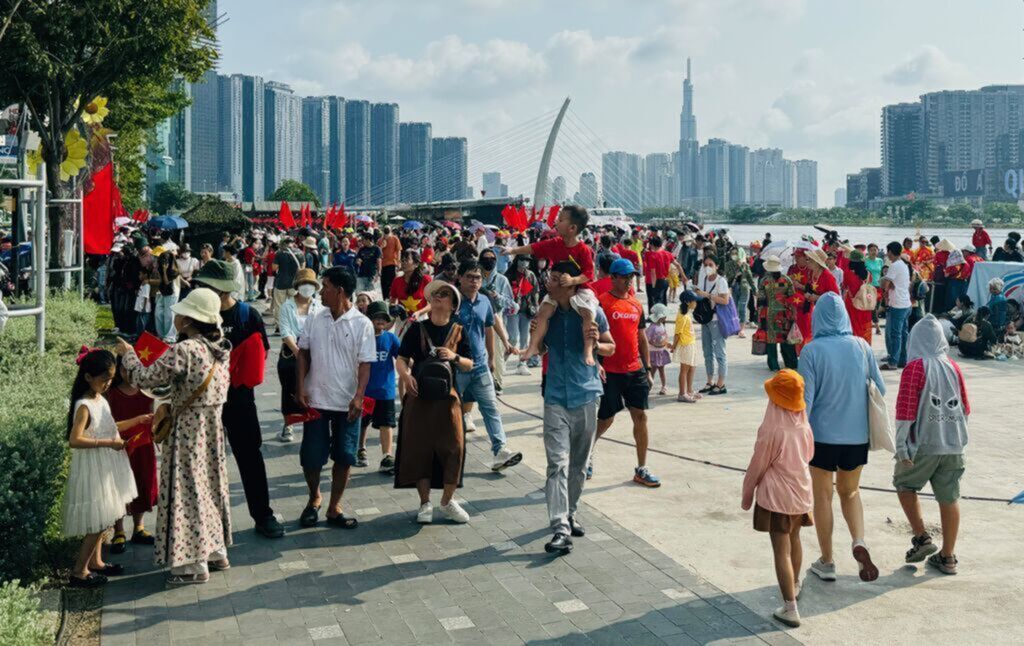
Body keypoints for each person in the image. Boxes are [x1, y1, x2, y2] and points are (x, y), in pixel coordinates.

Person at [118, 288, 232, 585]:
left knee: (187, 490)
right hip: (212, 430)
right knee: (209, 486)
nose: (177, 317)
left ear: (189, 319)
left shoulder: (186, 350)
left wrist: (128, 355)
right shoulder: (221, 348)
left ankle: (192, 564)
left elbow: (144, 378)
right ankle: (216, 551)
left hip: (188, 432)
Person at [193, 261, 284, 539]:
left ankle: (263, 515)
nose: (200, 290)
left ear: (221, 290)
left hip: (240, 399)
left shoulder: (248, 315)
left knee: (250, 457)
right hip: (204, 404)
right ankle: (204, 524)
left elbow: (261, 353)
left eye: (205, 286)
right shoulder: (196, 316)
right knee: (202, 461)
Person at [798, 292, 884, 583]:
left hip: (822, 438)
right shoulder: (862, 346)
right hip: (857, 437)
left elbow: (806, 402)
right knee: (850, 492)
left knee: (823, 497)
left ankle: (827, 561)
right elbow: (880, 388)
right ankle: (859, 540)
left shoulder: (811, 351)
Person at [540, 261, 616, 555]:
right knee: (556, 463)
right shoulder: (547, 311)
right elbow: (541, 347)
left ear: (569, 283)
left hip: (586, 394)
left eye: (555, 278)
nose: (549, 282)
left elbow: (611, 347)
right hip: (555, 396)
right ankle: (560, 528)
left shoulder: (591, 310)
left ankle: (570, 512)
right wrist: (535, 340)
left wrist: (596, 346)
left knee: (578, 465)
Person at [295, 266, 376, 529]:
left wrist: (359, 396)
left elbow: (365, 364)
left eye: (326, 287)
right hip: (316, 399)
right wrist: (300, 387)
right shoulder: (315, 317)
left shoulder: (362, 324)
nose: (321, 292)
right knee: (311, 456)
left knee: (344, 456)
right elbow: (303, 353)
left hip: (347, 403)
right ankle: (314, 498)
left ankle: (334, 507)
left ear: (340, 291)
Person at [893, 315, 970, 575]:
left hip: (924, 444)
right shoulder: (954, 366)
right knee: (949, 497)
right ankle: (948, 557)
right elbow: (965, 408)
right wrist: (960, 440)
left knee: (905, 484)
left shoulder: (915, 367)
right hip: (953, 444)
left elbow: (905, 411)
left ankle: (922, 537)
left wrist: (901, 446)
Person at [395, 281, 475, 524]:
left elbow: (470, 364)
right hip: (419, 397)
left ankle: (448, 501)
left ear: (453, 304)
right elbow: (401, 358)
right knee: (419, 449)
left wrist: (454, 356)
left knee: (455, 448)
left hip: (448, 399)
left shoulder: (459, 330)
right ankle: (425, 503)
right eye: (436, 294)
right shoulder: (416, 329)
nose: (439, 297)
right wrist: (406, 376)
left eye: (444, 294)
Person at [741, 369, 814, 628]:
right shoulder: (803, 424)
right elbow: (809, 454)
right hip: (801, 493)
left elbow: (758, 465)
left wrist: (747, 494)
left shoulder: (772, 428)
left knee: (781, 551)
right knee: (795, 539)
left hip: (777, 497)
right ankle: (794, 583)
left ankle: (790, 607)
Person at [62, 349, 141, 588]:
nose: (108, 384)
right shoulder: (84, 404)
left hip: (106, 463)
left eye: (111, 379)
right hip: (94, 466)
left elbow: (107, 426)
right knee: (97, 521)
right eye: (104, 379)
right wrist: (108, 443)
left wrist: (138, 420)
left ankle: (96, 562)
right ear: (88, 377)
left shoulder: (100, 398)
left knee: (104, 517)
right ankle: (79, 571)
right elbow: (75, 439)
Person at [593, 258, 660, 487]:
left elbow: (641, 337)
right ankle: (586, 455)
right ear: (613, 278)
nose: (629, 280)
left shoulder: (636, 304)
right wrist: (597, 363)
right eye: (625, 276)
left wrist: (647, 368)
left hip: (635, 370)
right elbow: (592, 335)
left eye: (632, 276)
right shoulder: (602, 303)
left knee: (640, 416)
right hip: (610, 371)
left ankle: (641, 468)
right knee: (605, 419)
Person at [452, 259, 523, 471]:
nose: (474, 281)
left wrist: (492, 357)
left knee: (491, 408)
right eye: (469, 277)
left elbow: (489, 328)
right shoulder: (451, 300)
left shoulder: (484, 300)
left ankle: (500, 451)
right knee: (448, 410)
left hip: (480, 366)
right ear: (460, 278)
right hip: (456, 367)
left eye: (478, 278)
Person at [506, 206, 599, 367]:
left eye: (561, 219)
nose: (556, 221)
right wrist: (512, 250)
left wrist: (573, 280)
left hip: (581, 290)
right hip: (558, 290)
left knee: (588, 314)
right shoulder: (556, 243)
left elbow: (589, 274)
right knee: (542, 312)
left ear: (572, 228)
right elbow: (535, 248)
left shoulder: (583, 249)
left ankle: (588, 349)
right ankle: (533, 346)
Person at [106, 357, 158, 554]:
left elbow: (153, 416)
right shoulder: (111, 394)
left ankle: (139, 527)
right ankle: (119, 531)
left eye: (134, 368)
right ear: (119, 370)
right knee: (119, 486)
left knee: (143, 482)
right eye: (125, 369)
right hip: (120, 447)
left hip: (144, 445)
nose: (129, 373)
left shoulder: (147, 391)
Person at [277, 268, 323, 442]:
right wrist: (298, 352)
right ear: (297, 285)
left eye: (310, 284)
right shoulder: (287, 306)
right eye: (304, 283)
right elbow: (285, 331)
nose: (307, 287)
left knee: (314, 387)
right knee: (289, 387)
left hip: (314, 349)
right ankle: (288, 424)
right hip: (292, 351)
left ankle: (312, 422)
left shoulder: (319, 306)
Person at [360, 301, 399, 474]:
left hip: (385, 391)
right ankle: (360, 449)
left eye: (384, 318)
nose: (380, 321)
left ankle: (387, 456)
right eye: (376, 317)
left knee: (386, 424)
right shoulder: (361, 338)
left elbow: (403, 358)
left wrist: (415, 369)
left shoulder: (390, 338)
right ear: (368, 319)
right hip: (364, 391)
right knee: (361, 423)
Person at [695, 255, 731, 395]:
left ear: (717, 266)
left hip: (716, 319)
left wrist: (707, 295)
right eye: (705, 265)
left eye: (711, 264)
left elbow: (725, 300)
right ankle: (710, 381)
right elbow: (700, 296)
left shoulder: (721, 281)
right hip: (705, 318)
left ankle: (721, 384)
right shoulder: (703, 279)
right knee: (707, 352)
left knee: (720, 352)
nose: (708, 267)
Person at [758, 256, 799, 371]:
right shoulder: (787, 280)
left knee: (771, 341)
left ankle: (774, 365)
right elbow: (792, 298)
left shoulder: (764, 281)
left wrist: (760, 319)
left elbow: (760, 301)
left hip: (769, 315)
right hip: (785, 314)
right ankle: (791, 363)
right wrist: (794, 314)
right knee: (786, 340)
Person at [505, 254, 540, 375]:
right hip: (512, 311)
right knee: (513, 337)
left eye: (527, 260)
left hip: (526, 310)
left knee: (525, 339)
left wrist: (536, 306)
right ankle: (503, 359)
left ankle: (522, 364)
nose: (525, 262)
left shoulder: (530, 275)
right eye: (522, 259)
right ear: (517, 261)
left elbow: (535, 291)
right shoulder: (509, 275)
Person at [881, 241, 912, 370]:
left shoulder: (894, 265)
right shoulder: (903, 265)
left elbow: (885, 284)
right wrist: (890, 284)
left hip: (898, 305)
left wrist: (886, 284)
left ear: (890, 252)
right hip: (906, 303)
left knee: (895, 334)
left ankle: (893, 362)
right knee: (903, 334)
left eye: (887, 251)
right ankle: (902, 359)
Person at [671, 290, 701, 402]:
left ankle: (689, 390)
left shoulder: (687, 313)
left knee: (692, 367)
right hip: (685, 345)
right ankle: (682, 393)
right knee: (684, 370)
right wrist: (673, 346)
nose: (696, 303)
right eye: (694, 301)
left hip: (690, 344)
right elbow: (677, 333)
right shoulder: (682, 316)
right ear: (688, 302)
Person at [842, 250, 874, 346]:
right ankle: (866, 347)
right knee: (865, 327)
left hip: (852, 305)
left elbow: (844, 287)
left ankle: (855, 348)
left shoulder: (847, 273)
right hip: (865, 304)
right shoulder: (868, 274)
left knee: (853, 327)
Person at [271, 237, 303, 333]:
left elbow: (274, 268)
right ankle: (293, 324)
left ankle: (279, 327)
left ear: (284, 243)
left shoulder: (279, 253)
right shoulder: (300, 253)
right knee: (293, 305)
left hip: (280, 283)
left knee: (279, 305)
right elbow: (302, 269)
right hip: (294, 284)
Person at [725, 246, 755, 336]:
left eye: (736, 253)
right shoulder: (728, 264)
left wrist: (755, 290)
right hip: (734, 288)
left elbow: (750, 278)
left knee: (742, 308)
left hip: (744, 289)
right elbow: (728, 277)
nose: (734, 255)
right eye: (732, 253)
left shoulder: (745, 265)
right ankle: (735, 327)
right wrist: (736, 273)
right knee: (734, 309)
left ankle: (741, 330)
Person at [646, 303, 672, 396]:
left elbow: (665, 336)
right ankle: (648, 386)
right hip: (653, 352)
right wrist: (656, 344)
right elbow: (647, 339)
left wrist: (667, 344)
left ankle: (663, 386)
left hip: (661, 351)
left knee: (661, 370)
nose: (665, 317)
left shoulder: (662, 325)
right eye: (664, 316)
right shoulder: (652, 327)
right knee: (652, 371)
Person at [154, 251, 180, 342]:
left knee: (169, 315)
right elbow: (161, 280)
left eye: (165, 260)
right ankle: (161, 334)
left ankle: (170, 336)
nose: (163, 262)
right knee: (158, 313)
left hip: (172, 293)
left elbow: (166, 282)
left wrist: (165, 271)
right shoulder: (161, 267)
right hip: (163, 292)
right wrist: (160, 269)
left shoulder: (174, 270)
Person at [379, 226, 403, 299]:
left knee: (391, 282)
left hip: (392, 263)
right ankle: (385, 298)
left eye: (387, 230)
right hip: (383, 264)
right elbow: (377, 253)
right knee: (383, 283)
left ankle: (391, 297)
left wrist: (398, 262)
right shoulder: (380, 240)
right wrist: (381, 247)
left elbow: (398, 251)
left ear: (390, 231)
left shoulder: (395, 239)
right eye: (385, 230)